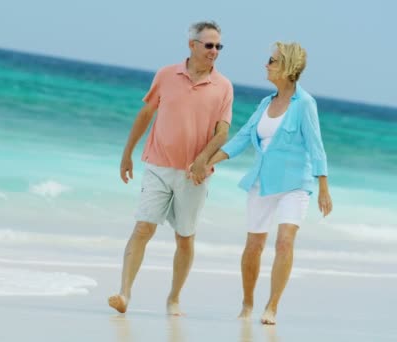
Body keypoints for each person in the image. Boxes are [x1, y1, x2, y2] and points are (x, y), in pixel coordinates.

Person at [108, 21, 234, 316]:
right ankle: (124, 293)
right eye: (209, 45)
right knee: (143, 227)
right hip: (157, 165)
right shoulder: (166, 75)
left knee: (185, 238)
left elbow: (222, 132)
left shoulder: (224, 87)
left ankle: (174, 298)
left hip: (194, 175)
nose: (214, 51)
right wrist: (127, 153)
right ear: (192, 45)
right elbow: (146, 113)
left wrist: (203, 159)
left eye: (218, 46)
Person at [202, 42, 333, 324]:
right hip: (262, 182)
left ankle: (271, 306)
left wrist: (323, 185)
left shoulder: (305, 104)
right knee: (253, 246)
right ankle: (247, 303)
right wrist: (208, 161)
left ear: (287, 67)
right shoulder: (265, 103)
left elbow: (316, 145)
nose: (266, 64)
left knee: (285, 243)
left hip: (296, 184)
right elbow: (241, 138)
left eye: (272, 61)